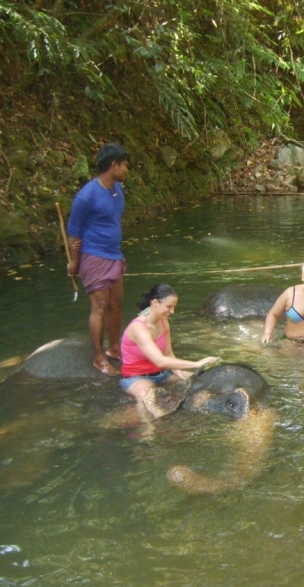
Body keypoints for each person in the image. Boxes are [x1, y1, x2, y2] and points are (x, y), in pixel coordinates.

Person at [66, 143, 130, 375]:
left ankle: (114, 348)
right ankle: (99, 358)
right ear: (113, 166)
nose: (126, 170)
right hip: (93, 256)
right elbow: (74, 231)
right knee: (100, 306)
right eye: (124, 165)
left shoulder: (117, 189)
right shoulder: (87, 196)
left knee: (117, 303)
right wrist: (75, 262)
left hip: (114, 254)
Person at [120, 284, 220, 411]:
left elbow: (168, 354)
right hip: (136, 378)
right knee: (148, 399)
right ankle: (149, 424)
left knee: (201, 382)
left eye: (173, 307)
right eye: (169, 306)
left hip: (162, 375)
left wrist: (180, 373)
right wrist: (196, 364)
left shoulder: (163, 322)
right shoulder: (138, 328)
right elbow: (159, 360)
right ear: (155, 302)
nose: (172, 311)